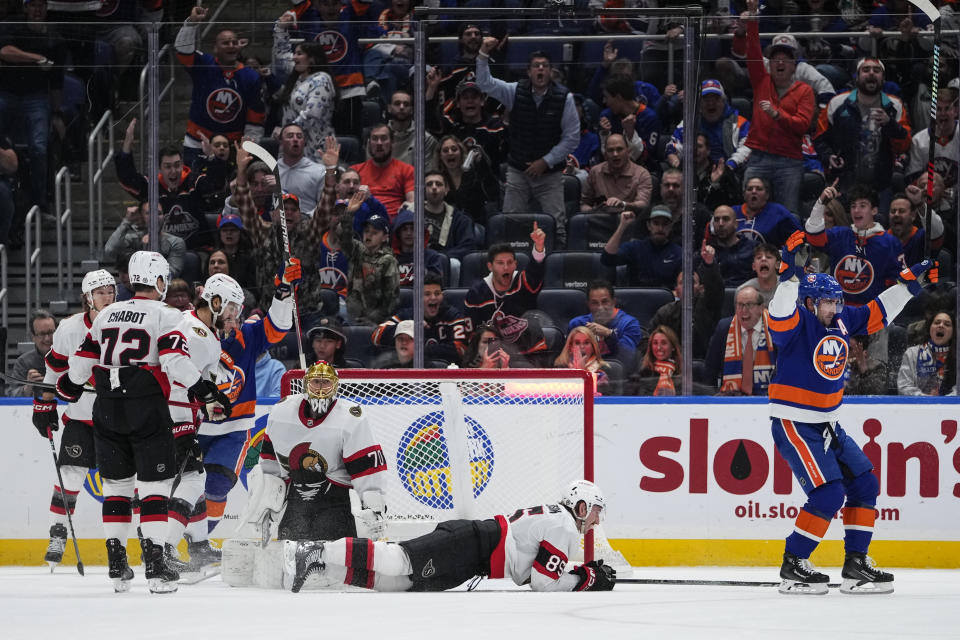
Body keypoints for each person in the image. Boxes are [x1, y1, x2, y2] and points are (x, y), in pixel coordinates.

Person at [766, 230, 939, 594]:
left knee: (865, 484)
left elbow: (878, 311)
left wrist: (910, 285)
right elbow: (778, 311)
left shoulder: (843, 321)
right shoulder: (795, 324)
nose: (834, 308)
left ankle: (855, 565)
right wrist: (786, 279)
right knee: (828, 495)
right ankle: (794, 562)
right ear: (810, 303)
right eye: (827, 302)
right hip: (795, 423)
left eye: (837, 302)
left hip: (828, 423)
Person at [56, 251, 231, 594]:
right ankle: (155, 567)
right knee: (154, 488)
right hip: (147, 405)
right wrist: (203, 390)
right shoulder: (168, 315)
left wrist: (69, 386)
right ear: (160, 280)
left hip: (106, 406)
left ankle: (117, 564)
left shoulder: (106, 313)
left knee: (117, 488)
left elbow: (82, 362)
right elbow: (174, 360)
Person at [284, 479, 615, 593]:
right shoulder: (563, 525)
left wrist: (578, 576)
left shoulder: (557, 518)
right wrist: (585, 579)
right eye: (597, 510)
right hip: (470, 544)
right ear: (582, 506)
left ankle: (323, 565)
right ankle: (317, 550)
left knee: (400, 584)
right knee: (399, 561)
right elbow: (544, 584)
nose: (597, 520)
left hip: (472, 561)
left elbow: (538, 575)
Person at [244, 361, 388, 543]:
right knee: (290, 551)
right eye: (316, 382)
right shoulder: (282, 412)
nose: (321, 389)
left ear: (335, 385)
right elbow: (270, 462)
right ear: (306, 385)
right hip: (296, 496)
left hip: (335, 498)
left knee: (332, 553)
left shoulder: (351, 418)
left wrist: (374, 508)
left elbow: (367, 468)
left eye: (326, 383)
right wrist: (266, 503)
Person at [163, 274, 245, 575]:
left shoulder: (190, 323)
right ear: (216, 301)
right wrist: (207, 399)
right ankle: (165, 549)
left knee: (189, 480)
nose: (235, 315)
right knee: (193, 479)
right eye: (232, 308)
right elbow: (176, 375)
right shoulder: (199, 336)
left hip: (174, 412)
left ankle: (198, 545)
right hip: (174, 414)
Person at [33, 271, 115, 568]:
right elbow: (53, 371)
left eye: (111, 291)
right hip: (80, 417)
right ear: (87, 298)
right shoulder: (69, 329)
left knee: (125, 482)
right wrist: (43, 406)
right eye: (101, 292)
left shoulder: (123, 323)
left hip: (117, 417)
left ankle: (144, 537)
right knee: (69, 476)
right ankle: (58, 534)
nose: (108, 296)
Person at [476, 38, 578, 247]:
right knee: (510, 223)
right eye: (536, 66)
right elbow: (485, 84)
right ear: (528, 72)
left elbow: (572, 138)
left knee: (556, 227)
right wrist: (483, 56)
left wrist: (546, 161)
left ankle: (554, 269)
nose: (540, 70)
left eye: (545, 66)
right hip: (519, 172)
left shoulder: (564, 98)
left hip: (550, 175)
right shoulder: (515, 91)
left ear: (551, 71)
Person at [741, 0, 816, 216]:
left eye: (785, 59)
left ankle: (790, 251)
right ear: (769, 64)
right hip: (759, 157)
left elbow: (802, 125)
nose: (780, 63)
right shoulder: (761, 81)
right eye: (775, 59)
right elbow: (753, 50)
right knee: (751, 211)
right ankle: (753, 248)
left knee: (789, 214)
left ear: (794, 65)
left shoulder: (804, 91)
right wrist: (753, 17)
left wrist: (778, 115)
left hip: (789, 161)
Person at [175, 6, 265, 165]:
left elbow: (255, 119)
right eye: (225, 43)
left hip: (232, 146)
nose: (231, 45)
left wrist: (248, 148)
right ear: (215, 48)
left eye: (234, 42)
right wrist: (192, 23)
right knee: (196, 185)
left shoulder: (251, 77)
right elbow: (182, 51)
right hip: (197, 141)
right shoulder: (204, 64)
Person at [0, 0, 65, 214]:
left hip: (36, 98)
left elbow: (56, 81)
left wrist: (56, 114)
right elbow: (5, 52)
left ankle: (40, 201)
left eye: (42, 6)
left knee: (38, 147)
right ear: (25, 7)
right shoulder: (11, 25)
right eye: (33, 5)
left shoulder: (54, 37)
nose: (37, 10)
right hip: (6, 94)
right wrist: (37, 58)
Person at [115, 119, 219, 251]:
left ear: (182, 164)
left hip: (197, 250)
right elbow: (127, 180)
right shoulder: (152, 186)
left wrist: (211, 157)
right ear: (159, 169)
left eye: (177, 165)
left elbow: (216, 185)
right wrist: (127, 146)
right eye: (168, 167)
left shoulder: (194, 181)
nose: (173, 171)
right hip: (163, 254)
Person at [814, 58, 912, 197]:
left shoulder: (894, 105)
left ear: (883, 78)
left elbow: (905, 144)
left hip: (882, 183)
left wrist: (889, 123)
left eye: (876, 70)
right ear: (857, 76)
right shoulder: (837, 103)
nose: (871, 73)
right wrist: (828, 156)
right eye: (866, 70)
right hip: (844, 182)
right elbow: (819, 138)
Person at [464, 230, 549, 364]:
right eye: (500, 263)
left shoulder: (522, 281)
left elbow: (535, 273)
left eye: (510, 262)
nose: (506, 267)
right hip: (492, 356)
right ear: (490, 266)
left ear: (515, 264)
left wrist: (539, 247)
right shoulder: (476, 294)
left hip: (526, 354)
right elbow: (471, 335)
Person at [272, 15, 336, 164]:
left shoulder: (321, 79)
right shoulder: (298, 77)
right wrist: (281, 28)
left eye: (299, 54)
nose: (294, 57)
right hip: (291, 144)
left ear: (312, 59)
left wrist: (285, 132)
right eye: (295, 53)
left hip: (314, 148)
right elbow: (281, 56)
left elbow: (312, 115)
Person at [372, 271, 469, 366]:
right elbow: (376, 336)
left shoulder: (453, 316)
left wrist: (420, 349)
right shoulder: (407, 315)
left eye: (437, 293)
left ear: (442, 295)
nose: (433, 297)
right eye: (427, 294)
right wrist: (409, 326)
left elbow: (461, 349)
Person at [665, 79, 752, 175]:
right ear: (699, 104)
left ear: (723, 101)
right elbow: (673, 146)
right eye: (706, 99)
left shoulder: (740, 122)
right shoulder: (689, 123)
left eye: (715, 99)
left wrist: (729, 166)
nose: (711, 103)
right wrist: (676, 163)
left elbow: (747, 147)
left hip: (730, 172)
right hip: (695, 173)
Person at [704, 286, 776, 395]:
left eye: (749, 305)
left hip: (768, 398)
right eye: (740, 305)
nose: (744, 311)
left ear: (761, 308)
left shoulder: (775, 328)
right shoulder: (724, 328)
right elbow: (710, 371)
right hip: (731, 399)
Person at [601, 207, 682, 289]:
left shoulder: (678, 253)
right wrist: (622, 226)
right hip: (636, 299)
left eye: (665, 224)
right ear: (649, 226)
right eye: (656, 223)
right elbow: (607, 259)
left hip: (667, 300)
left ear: (670, 227)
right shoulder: (635, 247)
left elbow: (682, 285)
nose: (660, 228)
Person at [568, 280, 644, 367]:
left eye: (605, 302)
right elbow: (568, 358)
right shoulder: (577, 324)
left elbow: (628, 359)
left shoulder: (629, 324)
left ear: (613, 302)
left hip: (619, 377)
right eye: (595, 303)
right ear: (588, 305)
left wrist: (609, 335)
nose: (600, 307)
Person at [103, 201, 187, 279]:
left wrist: (146, 251)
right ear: (141, 216)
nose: (155, 217)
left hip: (163, 289)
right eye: (148, 213)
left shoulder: (175, 242)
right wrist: (127, 221)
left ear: (164, 217)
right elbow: (110, 251)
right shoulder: (133, 239)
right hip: (134, 287)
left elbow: (172, 273)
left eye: (159, 213)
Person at [351, 123, 415, 220]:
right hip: (364, 225)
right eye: (375, 139)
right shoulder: (355, 171)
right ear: (369, 143)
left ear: (392, 142)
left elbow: (412, 203)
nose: (379, 143)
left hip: (395, 225)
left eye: (384, 138)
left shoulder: (406, 170)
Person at [579, 134, 652, 214]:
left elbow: (643, 204)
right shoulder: (595, 172)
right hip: (600, 219)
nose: (615, 154)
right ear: (605, 154)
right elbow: (584, 204)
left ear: (628, 151)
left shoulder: (642, 174)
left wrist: (623, 204)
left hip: (629, 221)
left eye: (619, 149)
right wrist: (593, 212)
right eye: (610, 150)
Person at [726, 177, 801, 248]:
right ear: (744, 195)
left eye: (759, 189)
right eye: (749, 189)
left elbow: (799, 238)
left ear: (767, 195)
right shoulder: (731, 212)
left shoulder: (778, 212)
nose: (754, 191)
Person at [898, 311, 956, 396]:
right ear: (930, 328)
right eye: (937, 322)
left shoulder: (957, 356)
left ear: (953, 332)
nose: (941, 325)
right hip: (918, 407)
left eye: (947, 324)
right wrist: (926, 399)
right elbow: (904, 387)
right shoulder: (912, 353)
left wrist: (945, 401)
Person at [422, 170, 476, 261]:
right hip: (414, 259)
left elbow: (467, 247)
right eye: (429, 184)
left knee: (455, 264)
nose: (434, 187)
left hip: (446, 261)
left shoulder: (460, 219)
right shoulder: (410, 214)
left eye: (438, 184)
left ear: (446, 189)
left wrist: (442, 257)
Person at [276, 123, 328, 214]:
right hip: (277, 221)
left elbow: (325, 205)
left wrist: (306, 218)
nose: (295, 139)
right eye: (290, 136)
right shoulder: (270, 170)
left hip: (308, 222)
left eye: (299, 137)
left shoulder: (319, 171)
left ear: (304, 142)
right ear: (281, 141)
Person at [390, 206, 447, 287]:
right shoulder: (390, 257)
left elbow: (435, 286)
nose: (409, 233)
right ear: (398, 233)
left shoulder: (431, 257)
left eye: (413, 229)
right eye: (404, 229)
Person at [887, 190, 944, 267]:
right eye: (893, 211)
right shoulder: (881, 239)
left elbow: (937, 233)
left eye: (901, 211)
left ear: (913, 215)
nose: (896, 214)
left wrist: (920, 204)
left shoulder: (922, 237)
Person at [386, 89, 438, 172]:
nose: (402, 107)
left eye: (406, 104)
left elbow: (426, 174)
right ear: (389, 108)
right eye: (397, 104)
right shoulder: (378, 137)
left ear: (412, 110)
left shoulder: (425, 138)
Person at [7, 310, 55, 397]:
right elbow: (11, 396)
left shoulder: (70, 359)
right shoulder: (23, 362)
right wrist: (28, 386)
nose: (47, 338)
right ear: (33, 337)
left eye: (51, 332)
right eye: (42, 334)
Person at [707, 205, 759, 287]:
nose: (720, 224)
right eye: (717, 220)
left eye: (726, 219)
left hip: (747, 296)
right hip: (716, 297)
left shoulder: (754, 249)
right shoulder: (705, 253)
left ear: (736, 224)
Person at [630, 326, 683, 396]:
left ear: (673, 347)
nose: (659, 347)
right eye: (655, 343)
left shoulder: (684, 374)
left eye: (663, 343)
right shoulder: (643, 374)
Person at [554, 327, 610, 394]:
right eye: (577, 343)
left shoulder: (603, 369)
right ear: (570, 347)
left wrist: (582, 373)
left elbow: (602, 396)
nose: (582, 347)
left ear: (593, 346)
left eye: (586, 343)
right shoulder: (560, 367)